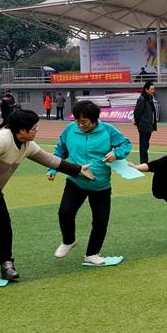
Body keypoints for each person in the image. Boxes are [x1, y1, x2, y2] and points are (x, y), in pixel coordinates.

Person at [0, 109, 93, 285]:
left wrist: (78, 169)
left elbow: (49, 160)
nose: (37, 131)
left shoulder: (27, 144)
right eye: (34, 128)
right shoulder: (1, 140)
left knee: (4, 225)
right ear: (22, 130)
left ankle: (7, 264)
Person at [48, 100, 132, 265]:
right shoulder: (70, 129)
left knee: (101, 221)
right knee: (65, 212)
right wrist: (52, 169)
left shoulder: (108, 130)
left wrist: (116, 154)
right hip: (76, 180)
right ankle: (68, 241)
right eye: (78, 121)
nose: (81, 125)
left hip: (100, 184)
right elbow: (60, 150)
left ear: (95, 120)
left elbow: (125, 144)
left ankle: (92, 254)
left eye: (85, 122)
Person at [133, 81, 158, 163]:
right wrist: (138, 124)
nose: (153, 91)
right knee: (143, 145)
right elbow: (137, 113)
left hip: (149, 126)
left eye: (153, 89)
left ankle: (144, 161)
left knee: (146, 145)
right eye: (151, 89)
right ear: (146, 90)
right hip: (143, 126)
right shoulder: (142, 99)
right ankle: (144, 162)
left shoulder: (149, 98)